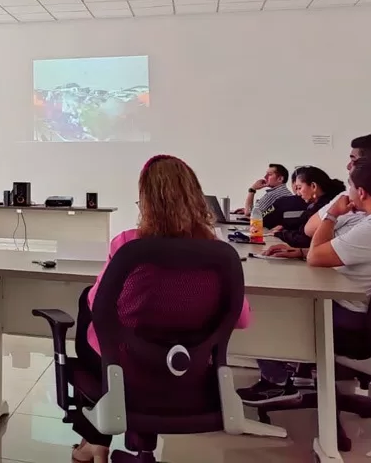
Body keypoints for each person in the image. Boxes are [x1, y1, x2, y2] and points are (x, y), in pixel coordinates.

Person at [72, 155, 252, 463]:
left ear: (145, 200)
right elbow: (242, 318)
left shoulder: (129, 244)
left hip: (128, 366)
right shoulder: (218, 253)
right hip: (188, 367)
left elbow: (97, 304)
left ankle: (96, 441)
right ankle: (98, 442)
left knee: (87, 313)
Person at [238, 153, 371, 405]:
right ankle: (287, 371)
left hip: (347, 317)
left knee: (263, 302)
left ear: (361, 191)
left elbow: (316, 256)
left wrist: (333, 214)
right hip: (367, 312)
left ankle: (276, 382)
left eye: (348, 187)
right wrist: (302, 252)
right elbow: (331, 254)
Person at [302, 134, 371, 239]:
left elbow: (310, 230)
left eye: (354, 160)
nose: (348, 166)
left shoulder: (351, 197)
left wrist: (332, 214)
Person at [266, 167, 346, 254]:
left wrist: (280, 233)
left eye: (299, 188)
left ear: (313, 186)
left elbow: (304, 239)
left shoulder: (324, 207)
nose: (297, 193)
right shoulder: (319, 204)